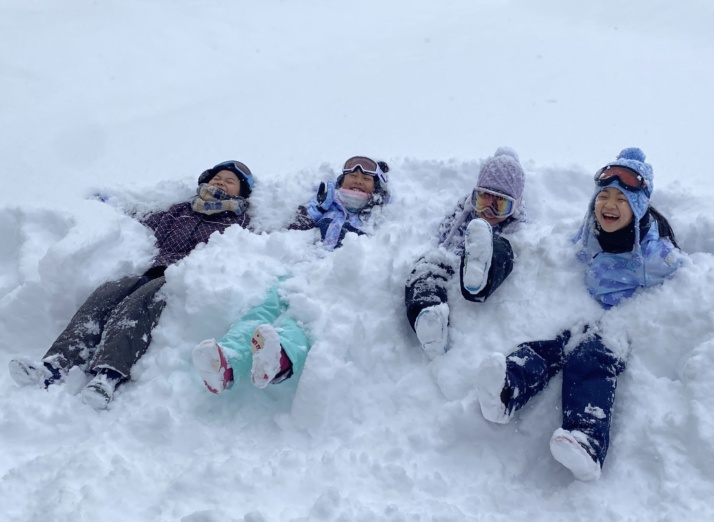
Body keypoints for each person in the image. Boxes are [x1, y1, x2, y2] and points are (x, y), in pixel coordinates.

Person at [476, 147, 683, 481]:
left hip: (623, 322)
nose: (609, 205)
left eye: (622, 198)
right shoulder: (590, 230)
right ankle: (507, 389)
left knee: (590, 361)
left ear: (639, 205)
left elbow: (685, 280)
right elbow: (569, 248)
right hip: (585, 313)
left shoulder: (655, 252)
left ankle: (586, 441)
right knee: (550, 345)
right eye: (604, 196)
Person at [8, 160, 255, 409]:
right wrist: (109, 204)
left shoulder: (239, 223)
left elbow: (268, 238)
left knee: (136, 305)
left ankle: (108, 376)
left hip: (182, 279)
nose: (220, 182)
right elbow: (144, 216)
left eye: (229, 180)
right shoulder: (182, 211)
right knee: (105, 294)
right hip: (152, 270)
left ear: (241, 193)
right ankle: (55, 364)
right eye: (216, 178)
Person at [192, 156, 390, 394]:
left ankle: (279, 358)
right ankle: (227, 360)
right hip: (304, 266)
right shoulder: (325, 208)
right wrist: (319, 202)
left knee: (305, 317)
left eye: (366, 179)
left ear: (376, 189)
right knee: (266, 306)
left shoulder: (375, 216)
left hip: (336, 277)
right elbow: (297, 226)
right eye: (351, 177)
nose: (357, 181)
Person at [404, 147, 527, 359]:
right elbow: (443, 235)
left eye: (500, 204)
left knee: (503, 251)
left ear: (514, 208)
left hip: (486, 263)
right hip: (453, 259)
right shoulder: (462, 213)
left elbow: (522, 249)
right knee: (427, 267)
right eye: (483, 199)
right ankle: (429, 318)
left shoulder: (515, 227)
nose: (488, 210)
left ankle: (479, 271)